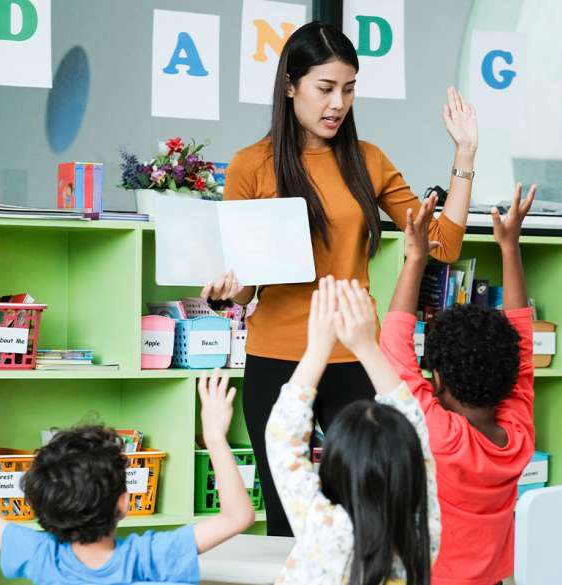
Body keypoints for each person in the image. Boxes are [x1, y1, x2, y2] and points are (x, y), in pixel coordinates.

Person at [202, 21, 477, 535]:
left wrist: (464, 155)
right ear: (290, 85)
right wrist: (226, 291)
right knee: (288, 515)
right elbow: (245, 286)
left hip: (354, 354)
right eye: (325, 88)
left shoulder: (367, 160)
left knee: (374, 508)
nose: (338, 104)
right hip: (277, 357)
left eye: (348, 89)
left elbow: (444, 243)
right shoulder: (250, 166)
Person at [0, 363, 254, 584]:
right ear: (123, 503)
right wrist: (213, 437)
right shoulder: (150, 557)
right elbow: (238, 516)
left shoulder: (39, 556)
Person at [378, 184, 538, 585]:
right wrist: (510, 248)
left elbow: (395, 348)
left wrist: (415, 257)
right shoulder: (517, 437)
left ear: (438, 378)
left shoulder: (441, 436)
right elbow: (522, 347)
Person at [265, 276, 440, 584]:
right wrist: (367, 347)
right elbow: (418, 433)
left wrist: (318, 348)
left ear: (333, 466)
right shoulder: (422, 533)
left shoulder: (326, 531)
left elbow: (283, 437)